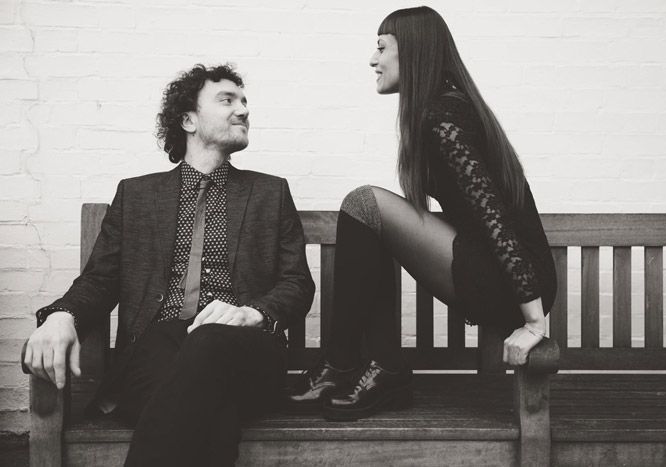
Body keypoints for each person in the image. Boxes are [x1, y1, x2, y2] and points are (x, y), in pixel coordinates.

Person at [23, 64, 315, 465]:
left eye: (245, 101)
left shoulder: (270, 192)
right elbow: (100, 280)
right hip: (155, 354)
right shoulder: (137, 195)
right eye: (227, 100)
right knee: (213, 410)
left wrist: (252, 313)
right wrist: (62, 315)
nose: (244, 110)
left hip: (245, 352)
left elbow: (297, 283)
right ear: (188, 120)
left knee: (208, 340)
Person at [288, 6, 557, 422]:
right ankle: (380, 368)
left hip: (512, 285)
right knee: (371, 221)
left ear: (412, 51)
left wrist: (535, 322)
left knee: (362, 203)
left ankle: (345, 363)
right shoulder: (445, 107)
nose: (373, 60)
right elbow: (481, 216)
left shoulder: (443, 115)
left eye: (381, 48)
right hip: (501, 269)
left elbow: (495, 219)